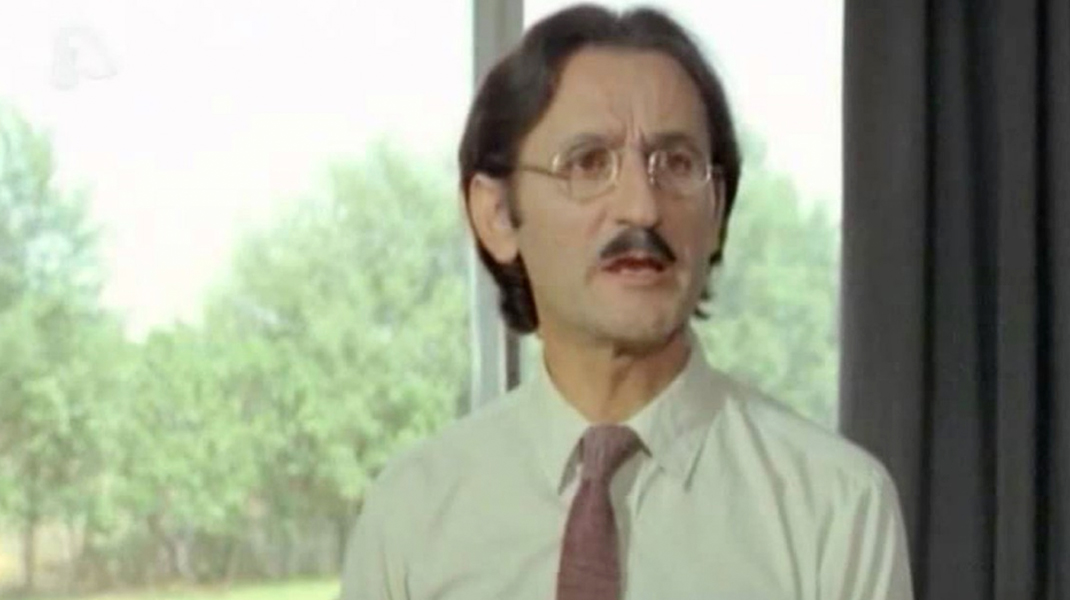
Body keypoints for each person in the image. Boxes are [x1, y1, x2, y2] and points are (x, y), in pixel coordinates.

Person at [340, 4, 914, 599]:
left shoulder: (834, 507)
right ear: (497, 216)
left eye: (677, 164)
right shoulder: (413, 515)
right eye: (588, 163)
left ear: (717, 211)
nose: (642, 207)